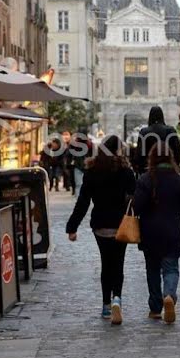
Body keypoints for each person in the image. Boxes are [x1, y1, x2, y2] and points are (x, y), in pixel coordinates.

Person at [66, 135, 137, 324]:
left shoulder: (92, 171)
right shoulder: (126, 171)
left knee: (106, 265)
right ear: (119, 150)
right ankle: (117, 300)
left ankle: (106, 305)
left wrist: (72, 227)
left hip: (100, 225)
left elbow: (83, 202)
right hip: (120, 224)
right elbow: (134, 198)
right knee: (118, 264)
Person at [134, 141, 180, 324]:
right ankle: (170, 296)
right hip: (172, 232)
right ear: (171, 158)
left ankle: (155, 308)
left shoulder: (145, 179)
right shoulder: (178, 180)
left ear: (152, 158)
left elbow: (137, 208)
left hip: (149, 233)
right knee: (171, 268)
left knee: (153, 270)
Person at [134, 106, 180, 172]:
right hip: (168, 168)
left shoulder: (144, 132)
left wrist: (140, 167)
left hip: (149, 169)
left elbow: (139, 152)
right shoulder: (170, 130)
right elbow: (177, 151)